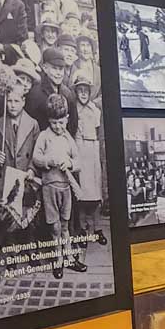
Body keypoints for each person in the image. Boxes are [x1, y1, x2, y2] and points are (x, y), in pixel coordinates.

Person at [33, 93, 84, 280]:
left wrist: (69, 164)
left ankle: (69, 257)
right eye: (54, 123)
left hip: (65, 189)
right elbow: (36, 158)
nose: (58, 127)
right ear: (49, 120)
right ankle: (58, 260)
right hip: (49, 189)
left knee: (65, 226)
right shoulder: (44, 136)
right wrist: (49, 160)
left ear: (67, 119)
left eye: (61, 122)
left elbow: (78, 161)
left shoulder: (68, 138)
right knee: (54, 228)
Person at [0, 81, 40, 242]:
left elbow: (36, 152)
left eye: (16, 101)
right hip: (7, 177)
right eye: (9, 101)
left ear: (23, 102)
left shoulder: (32, 124)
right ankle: (12, 257)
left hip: (26, 177)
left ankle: (32, 252)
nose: (12, 105)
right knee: (9, 216)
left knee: (28, 216)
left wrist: (32, 169)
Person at [72, 76, 104, 247]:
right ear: (76, 92)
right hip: (79, 148)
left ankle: (97, 229)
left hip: (92, 150)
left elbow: (99, 132)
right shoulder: (74, 109)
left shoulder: (95, 110)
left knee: (95, 194)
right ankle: (82, 229)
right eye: (80, 90)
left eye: (86, 90)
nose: (83, 93)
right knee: (82, 193)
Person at [28, 46, 78, 134]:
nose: (58, 73)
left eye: (61, 69)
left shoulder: (68, 94)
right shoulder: (35, 94)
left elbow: (73, 125)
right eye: (54, 68)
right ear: (45, 68)